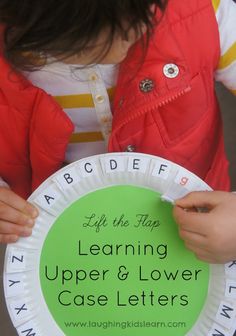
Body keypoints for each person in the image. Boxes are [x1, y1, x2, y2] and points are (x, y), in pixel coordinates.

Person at [0, 0, 235, 263]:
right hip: (70, 245)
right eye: (90, 43)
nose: (122, 47)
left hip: (198, 231)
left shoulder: (203, 13)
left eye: (138, 21)